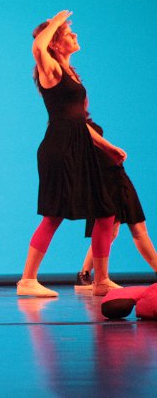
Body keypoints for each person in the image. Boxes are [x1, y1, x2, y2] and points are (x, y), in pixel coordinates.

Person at [19, 10, 123, 297]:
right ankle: (27, 280)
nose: (75, 35)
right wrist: (55, 22)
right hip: (60, 149)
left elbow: (79, 120)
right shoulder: (51, 70)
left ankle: (101, 280)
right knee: (54, 215)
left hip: (79, 147)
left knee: (106, 211)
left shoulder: (71, 74)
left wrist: (107, 146)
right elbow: (38, 48)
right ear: (54, 42)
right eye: (68, 33)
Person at [73, 116, 157, 290]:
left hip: (114, 175)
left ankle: (84, 274)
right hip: (104, 179)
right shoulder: (73, 123)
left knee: (118, 230)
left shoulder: (81, 121)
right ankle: (87, 275)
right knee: (125, 229)